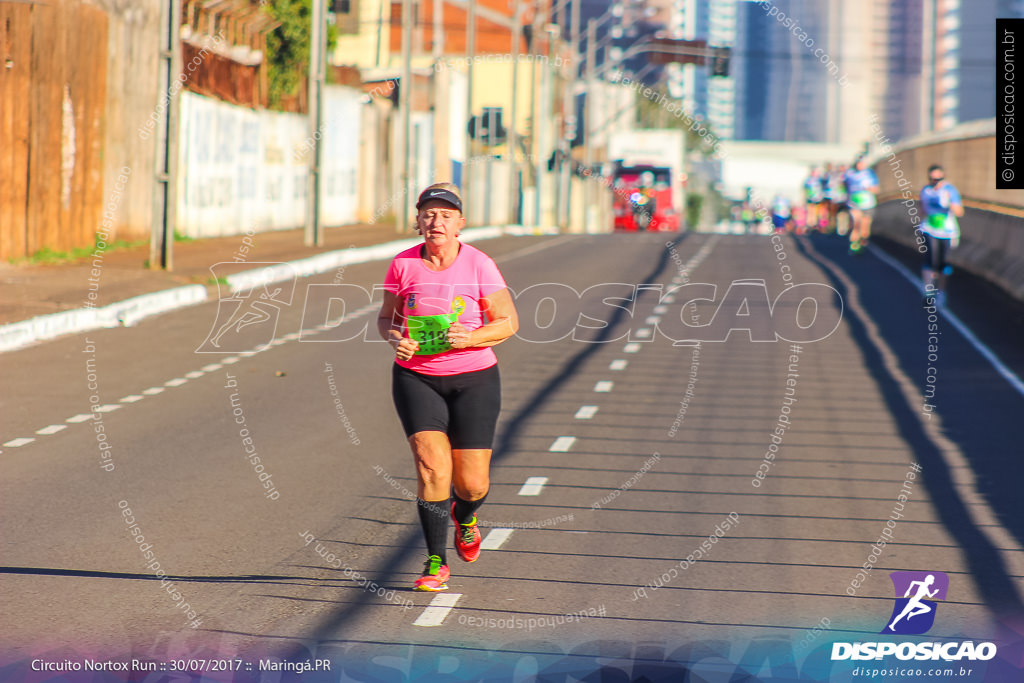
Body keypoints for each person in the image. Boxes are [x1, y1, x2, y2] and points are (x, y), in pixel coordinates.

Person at [377, 182, 519, 591]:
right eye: (428, 214)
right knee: (431, 467)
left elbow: (508, 322)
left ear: (460, 223)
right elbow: (387, 318)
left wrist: (470, 338)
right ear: (418, 221)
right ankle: (435, 562)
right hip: (416, 376)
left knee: (472, 483)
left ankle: (467, 515)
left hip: (474, 377)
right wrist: (394, 338)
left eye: (445, 215)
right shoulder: (403, 265)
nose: (435, 221)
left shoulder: (479, 264)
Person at [919, 165, 964, 307]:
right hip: (929, 229)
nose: (936, 182)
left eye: (939, 179)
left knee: (942, 264)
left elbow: (959, 212)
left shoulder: (950, 190)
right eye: (933, 179)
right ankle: (928, 292)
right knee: (930, 260)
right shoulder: (925, 191)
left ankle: (941, 291)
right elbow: (922, 210)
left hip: (947, 232)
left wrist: (948, 203)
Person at [843, 157, 879, 253]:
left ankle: (862, 241)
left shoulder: (870, 174)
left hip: (868, 204)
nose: (860, 165)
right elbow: (844, 186)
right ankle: (854, 246)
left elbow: (876, 189)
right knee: (856, 224)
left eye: (862, 163)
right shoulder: (849, 174)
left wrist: (868, 188)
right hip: (854, 204)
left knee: (865, 227)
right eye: (858, 163)